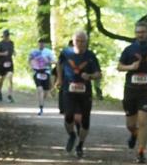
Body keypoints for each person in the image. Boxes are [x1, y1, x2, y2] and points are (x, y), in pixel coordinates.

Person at [117, 20, 147, 164]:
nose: (140, 35)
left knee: (143, 121)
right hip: (131, 91)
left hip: (146, 91)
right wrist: (131, 66)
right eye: (138, 33)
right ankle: (134, 134)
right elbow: (119, 67)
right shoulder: (129, 50)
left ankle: (141, 152)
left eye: (143, 32)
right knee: (130, 125)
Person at [55, 30, 102, 158]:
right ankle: (71, 135)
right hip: (68, 90)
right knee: (68, 116)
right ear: (73, 41)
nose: (80, 44)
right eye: (77, 41)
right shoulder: (66, 53)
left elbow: (99, 74)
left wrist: (90, 76)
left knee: (85, 122)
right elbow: (59, 64)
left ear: (86, 42)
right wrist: (59, 79)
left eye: (82, 41)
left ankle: (80, 145)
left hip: (84, 92)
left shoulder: (91, 56)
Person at [28, 38, 55, 115]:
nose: (41, 45)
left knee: (45, 92)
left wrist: (48, 61)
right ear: (38, 44)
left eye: (42, 43)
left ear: (45, 44)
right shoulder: (34, 52)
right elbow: (29, 60)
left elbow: (54, 62)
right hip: (37, 73)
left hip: (46, 73)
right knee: (40, 90)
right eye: (40, 43)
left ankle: (42, 102)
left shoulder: (49, 52)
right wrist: (31, 66)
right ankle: (41, 108)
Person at [0, 30, 15, 102]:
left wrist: (14, 52)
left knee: (10, 78)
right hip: (1, 64)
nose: (7, 37)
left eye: (8, 35)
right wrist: (3, 54)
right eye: (6, 35)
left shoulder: (11, 43)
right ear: (3, 36)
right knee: (1, 79)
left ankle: (9, 95)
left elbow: (12, 50)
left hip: (9, 63)